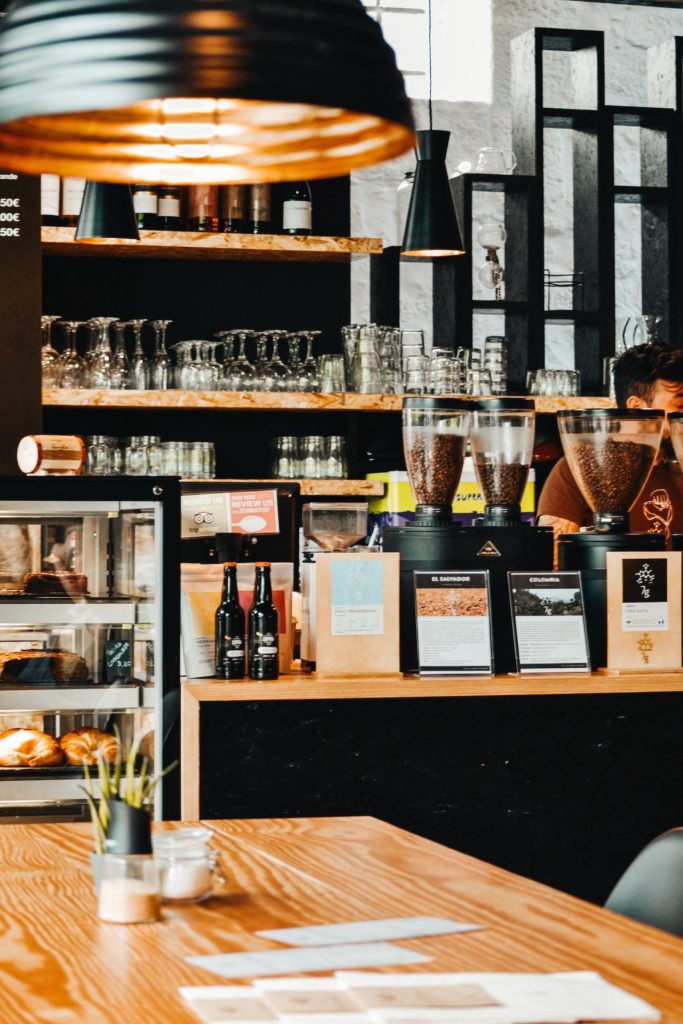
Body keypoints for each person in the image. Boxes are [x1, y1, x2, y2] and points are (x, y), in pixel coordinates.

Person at [537, 343, 683, 546]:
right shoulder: (581, 468)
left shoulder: (676, 473)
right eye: (679, 406)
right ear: (637, 407)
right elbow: (553, 556)